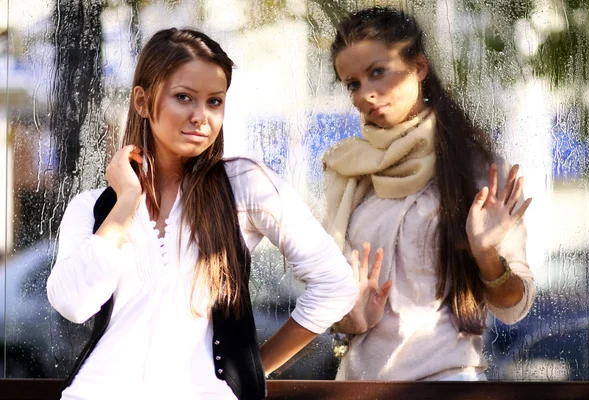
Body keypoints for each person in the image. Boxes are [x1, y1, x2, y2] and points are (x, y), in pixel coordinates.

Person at [47, 28, 357, 400]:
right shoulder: (92, 206)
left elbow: (335, 285)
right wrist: (127, 199)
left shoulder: (243, 185)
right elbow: (73, 304)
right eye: (184, 98)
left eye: (214, 102)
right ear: (143, 102)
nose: (201, 117)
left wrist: (251, 368)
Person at [323, 6, 535, 381]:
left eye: (377, 73)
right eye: (353, 83)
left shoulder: (472, 168)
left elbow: (514, 308)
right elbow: (332, 296)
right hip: (359, 386)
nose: (367, 94)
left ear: (419, 68)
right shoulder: (349, 170)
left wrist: (485, 253)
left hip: (447, 382)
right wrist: (348, 319)